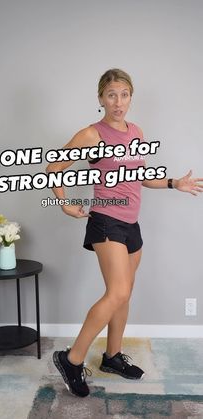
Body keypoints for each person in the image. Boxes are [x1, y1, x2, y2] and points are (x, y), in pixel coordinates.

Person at [46, 68, 203, 398]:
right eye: (111, 95)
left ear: (131, 97)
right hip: (106, 221)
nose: (118, 101)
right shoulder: (92, 134)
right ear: (101, 98)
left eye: (124, 94)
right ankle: (70, 360)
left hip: (132, 224)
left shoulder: (136, 132)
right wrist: (64, 204)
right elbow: (54, 167)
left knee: (124, 293)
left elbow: (141, 178)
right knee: (116, 292)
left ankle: (112, 357)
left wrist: (175, 183)